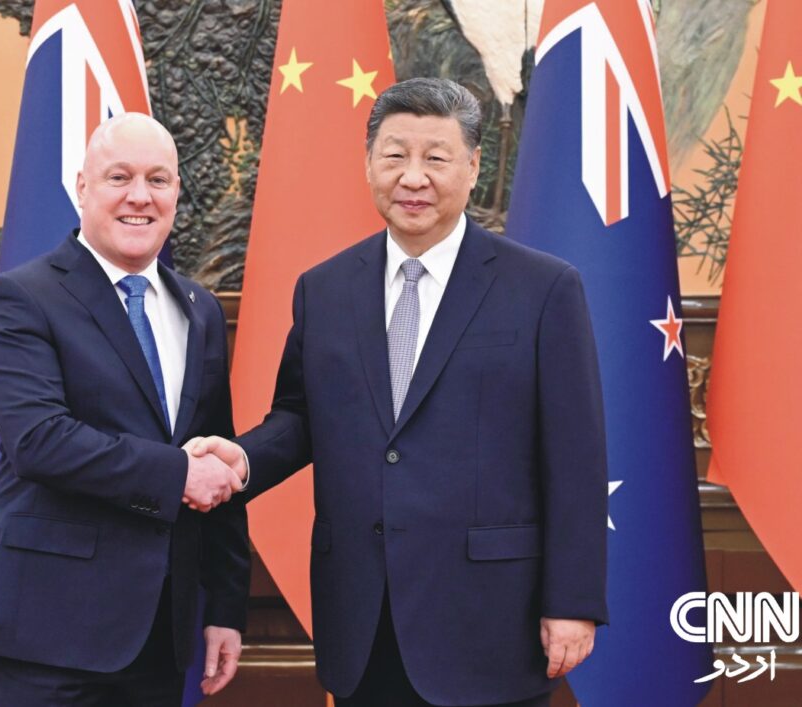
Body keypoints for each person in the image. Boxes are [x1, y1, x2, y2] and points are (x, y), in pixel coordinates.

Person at [191, 77, 608, 707]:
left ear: (472, 167)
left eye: (436, 158)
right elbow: (303, 415)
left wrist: (572, 602)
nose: (414, 177)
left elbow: (575, 457)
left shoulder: (543, 289)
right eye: (395, 156)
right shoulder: (325, 289)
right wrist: (243, 458)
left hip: (492, 618)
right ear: (368, 165)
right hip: (364, 613)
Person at [0, 113, 251, 706]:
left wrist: (225, 605)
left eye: (159, 180)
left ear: (175, 194)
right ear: (83, 187)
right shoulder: (21, 297)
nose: (140, 196)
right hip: (48, 632)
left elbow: (214, 449)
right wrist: (178, 475)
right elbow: (40, 440)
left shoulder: (200, 310)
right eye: (120, 177)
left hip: (160, 632)